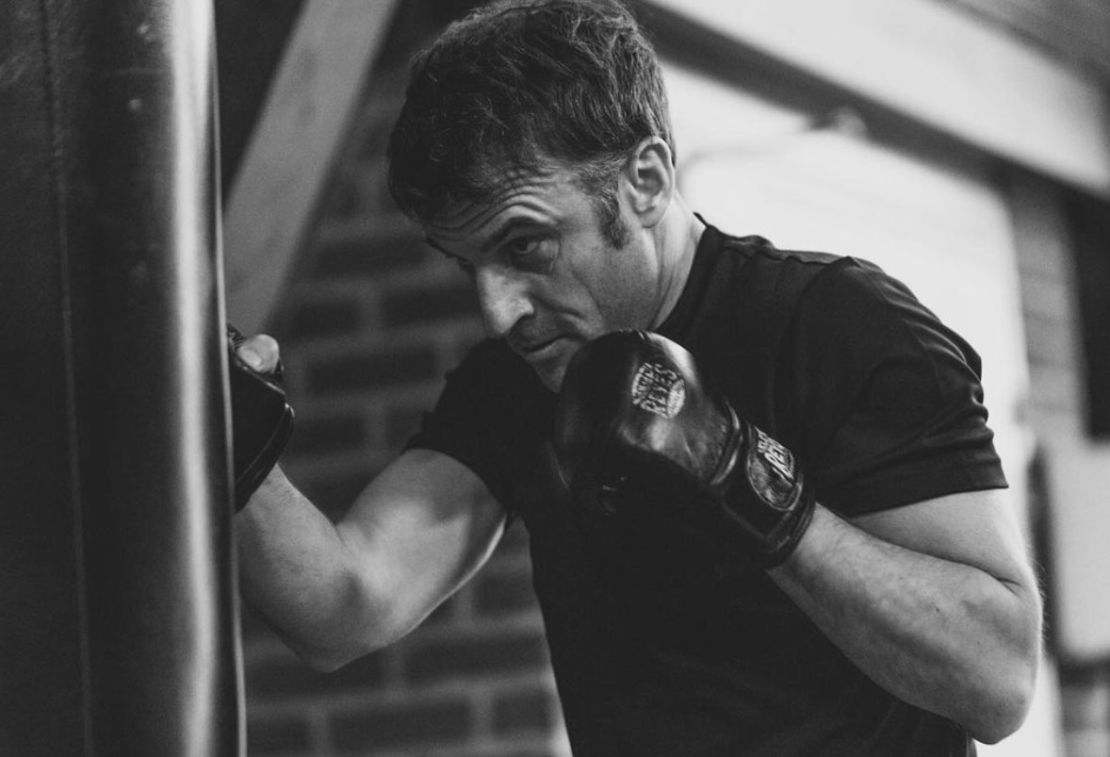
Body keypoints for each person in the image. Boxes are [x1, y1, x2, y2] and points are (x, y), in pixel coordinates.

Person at [233, 0, 1043, 754]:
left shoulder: (834, 326)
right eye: (467, 267)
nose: (499, 311)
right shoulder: (517, 381)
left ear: (646, 180)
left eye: (525, 248)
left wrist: (748, 482)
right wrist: (220, 425)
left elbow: (997, 677)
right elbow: (344, 606)